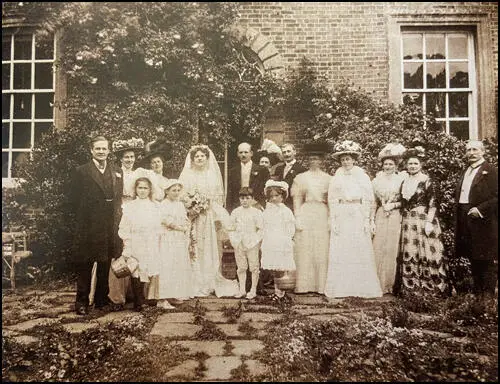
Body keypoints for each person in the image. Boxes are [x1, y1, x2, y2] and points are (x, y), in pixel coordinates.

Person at [70, 136, 123, 315]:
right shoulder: (81, 171)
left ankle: (101, 300)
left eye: (104, 148)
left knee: (104, 263)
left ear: (109, 150)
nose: (101, 151)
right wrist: (79, 223)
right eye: (98, 149)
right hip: (88, 225)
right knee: (85, 264)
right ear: (91, 150)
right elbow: (72, 200)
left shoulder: (116, 171)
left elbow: (117, 199)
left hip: (109, 226)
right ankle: (82, 302)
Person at [324, 140, 382, 298]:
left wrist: (368, 220)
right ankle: (341, 288)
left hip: (357, 213)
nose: (345, 162)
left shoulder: (362, 176)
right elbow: (333, 199)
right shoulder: (336, 177)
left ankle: (362, 288)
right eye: (343, 160)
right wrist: (333, 219)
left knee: (359, 247)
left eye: (348, 159)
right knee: (342, 248)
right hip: (342, 213)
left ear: (354, 160)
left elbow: (369, 199)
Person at [179, 144, 238, 297]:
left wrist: (211, 210)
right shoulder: (187, 175)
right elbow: (182, 196)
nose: (199, 159)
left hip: (209, 216)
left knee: (209, 246)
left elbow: (217, 197)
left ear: (207, 158)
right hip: (194, 216)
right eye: (196, 156)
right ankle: (195, 280)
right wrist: (192, 206)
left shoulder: (212, 175)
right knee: (195, 245)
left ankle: (209, 279)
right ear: (192, 159)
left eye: (202, 156)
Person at [396, 144, 448, 296]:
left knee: (427, 251)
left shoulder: (427, 180)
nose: (412, 166)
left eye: (415, 163)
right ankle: (412, 289)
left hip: (424, 220)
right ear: (406, 165)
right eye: (410, 163)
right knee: (411, 252)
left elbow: (433, 203)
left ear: (421, 165)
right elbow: (403, 202)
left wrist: (429, 222)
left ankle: (432, 288)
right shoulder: (404, 182)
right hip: (408, 222)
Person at [454, 140, 498, 296]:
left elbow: (496, 197)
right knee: (473, 257)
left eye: (474, 149)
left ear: (483, 152)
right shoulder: (466, 170)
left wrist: (480, 210)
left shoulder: (490, 170)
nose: (471, 153)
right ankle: (478, 295)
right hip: (466, 217)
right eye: (468, 150)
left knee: (485, 259)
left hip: (483, 221)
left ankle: (488, 297)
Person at [108, 137, 146, 310]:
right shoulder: (114, 173)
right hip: (119, 211)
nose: (129, 160)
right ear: (120, 159)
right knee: (120, 251)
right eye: (126, 157)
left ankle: (135, 294)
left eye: (131, 157)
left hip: (136, 210)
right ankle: (117, 296)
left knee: (136, 250)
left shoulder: (139, 173)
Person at [291, 142, 331, 294]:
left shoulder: (328, 178)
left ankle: (321, 285)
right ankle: (304, 285)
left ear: (322, 161)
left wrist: (330, 218)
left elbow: (331, 201)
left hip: (321, 212)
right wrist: (298, 217)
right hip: (307, 211)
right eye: (311, 158)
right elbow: (297, 200)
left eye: (317, 159)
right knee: (305, 247)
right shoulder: (301, 178)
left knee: (321, 247)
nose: (314, 161)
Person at [118, 176, 162, 311]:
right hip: (136, 240)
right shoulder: (130, 206)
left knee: (148, 268)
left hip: (151, 240)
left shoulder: (155, 206)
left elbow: (159, 225)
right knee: (135, 268)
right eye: (140, 188)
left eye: (145, 188)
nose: (142, 191)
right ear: (135, 189)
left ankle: (145, 297)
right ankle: (138, 301)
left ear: (150, 190)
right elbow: (124, 226)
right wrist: (127, 242)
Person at [371, 143, 407, 294]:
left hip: (394, 215)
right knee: (378, 247)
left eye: (391, 164)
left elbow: (406, 201)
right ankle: (376, 283)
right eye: (385, 164)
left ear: (396, 165)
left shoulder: (401, 180)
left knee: (392, 248)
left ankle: (391, 285)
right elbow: (373, 202)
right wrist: (371, 219)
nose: (387, 167)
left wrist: (393, 205)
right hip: (380, 214)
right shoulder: (376, 181)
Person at [157, 179, 193, 308]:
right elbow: (164, 220)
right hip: (167, 238)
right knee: (167, 265)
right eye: (173, 190)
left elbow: (184, 218)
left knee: (176, 265)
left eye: (178, 190)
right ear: (167, 191)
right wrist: (178, 227)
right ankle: (162, 299)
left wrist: (186, 225)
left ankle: (172, 294)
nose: (176, 193)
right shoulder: (164, 204)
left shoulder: (179, 204)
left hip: (178, 238)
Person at [260, 180, 296, 300]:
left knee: (281, 268)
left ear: (282, 197)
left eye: (277, 196)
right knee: (274, 268)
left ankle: (281, 293)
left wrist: (286, 239)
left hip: (281, 241)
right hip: (271, 241)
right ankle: (277, 291)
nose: (274, 199)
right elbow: (264, 225)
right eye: (271, 196)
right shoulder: (267, 210)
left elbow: (290, 228)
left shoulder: (285, 211)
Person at [228, 187, 264, 299]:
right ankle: (242, 290)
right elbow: (231, 228)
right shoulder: (235, 212)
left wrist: (255, 241)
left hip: (252, 242)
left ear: (252, 199)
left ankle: (253, 290)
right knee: (241, 267)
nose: (244, 201)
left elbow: (261, 229)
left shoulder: (257, 212)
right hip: (239, 242)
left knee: (254, 267)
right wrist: (234, 240)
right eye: (242, 198)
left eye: (247, 198)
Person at [226, 142, 270, 213]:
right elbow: (230, 192)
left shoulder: (262, 170)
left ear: (251, 153)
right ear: (238, 154)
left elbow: (267, 190)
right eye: (241, 152)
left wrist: (262, 205)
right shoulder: (233, 171)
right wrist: (229, 210)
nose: (243, 155)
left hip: (256, 206)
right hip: (238, 207)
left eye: (246, 152)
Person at [272, 143, 307, 211]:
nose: (286, 154)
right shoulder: (278, 169)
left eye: (288, 151)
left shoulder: (301, 169)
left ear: (294, 152)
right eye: (284, 152)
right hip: (279, 204)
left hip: (293, 205)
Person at [141, 137, 172, 202]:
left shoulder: (166, 180)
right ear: (151, 165)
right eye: (154, 162)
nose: (156, 164)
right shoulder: (148, 177)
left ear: (162, 163)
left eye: (158, 161)